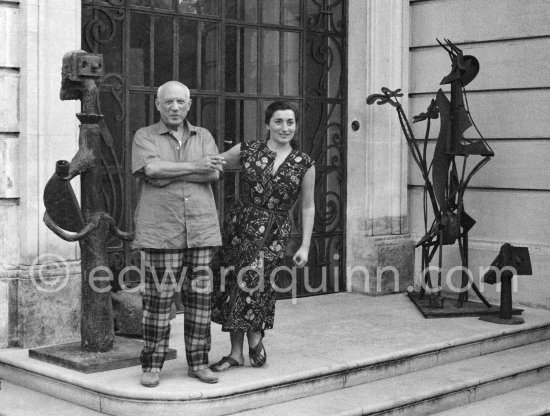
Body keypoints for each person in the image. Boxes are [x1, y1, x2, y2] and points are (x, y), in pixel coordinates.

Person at [131, 81, 225, 387]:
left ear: (189, 105)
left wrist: (169, 169)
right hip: (162, 229)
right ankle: (152, 365)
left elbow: (212, 173)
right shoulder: (145, 136)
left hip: (201, 227)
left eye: (181, 102)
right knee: (158, 300)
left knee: (200, 300)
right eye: (168, 102)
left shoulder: (205, 136)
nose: (175, 107)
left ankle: (199, 362)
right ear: (158, 105)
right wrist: (192, 167)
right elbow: (151, 171)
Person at [209, 101, 315, 371]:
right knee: (236, 283)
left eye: (290, 122)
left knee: (255, 283)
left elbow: (307, 205)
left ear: (296, 125)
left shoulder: (304, 163)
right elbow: (215, 164)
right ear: (268, 124)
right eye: (278, 121)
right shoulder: (248, 150)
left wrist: (305, 245)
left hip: (274, 232)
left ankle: (254, 338)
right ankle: (236, 352)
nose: (285, 128)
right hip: (239, 226)